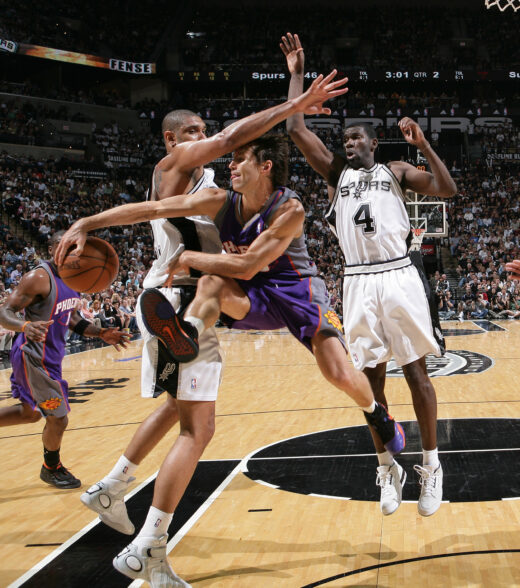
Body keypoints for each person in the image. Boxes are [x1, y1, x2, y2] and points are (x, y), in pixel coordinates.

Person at [56, 73, 351, 587]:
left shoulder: (216, 188)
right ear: (171, 141)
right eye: (192, 131)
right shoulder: (175, 166)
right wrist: (295, 102)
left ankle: (112, 486)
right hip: (177, 296)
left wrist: (90, 219)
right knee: (199, 428)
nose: (205, 136)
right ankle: (148, 549)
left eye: (203, 129)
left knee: (178, 409)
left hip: (175, 295)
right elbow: (229, 144)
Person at [280, 32, 457, 517]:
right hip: (357, 280)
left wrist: (424, 145)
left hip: (399, 274)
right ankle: (386, 466)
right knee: (370, 382)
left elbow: (447, 188)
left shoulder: (396, 171)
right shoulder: (337, 174)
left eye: (357, 138)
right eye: (345, 140)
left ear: (374, 144)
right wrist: (297, 73)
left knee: (416, 371)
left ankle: (431, 464)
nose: (349, 144)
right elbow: (295, 126)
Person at [0, 231, 129, 489]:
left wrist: (101, 332)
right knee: (59, 418)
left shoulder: (73, 279)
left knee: (29, 414)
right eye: (65, 248)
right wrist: (24, 325)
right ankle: (51, 467)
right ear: (52, 250)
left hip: (51, 358)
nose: (72, 253)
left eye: (75, 248)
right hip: (32, 357)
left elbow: (71, 318)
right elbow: (4, 312)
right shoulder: (38, 277)